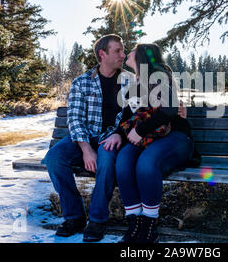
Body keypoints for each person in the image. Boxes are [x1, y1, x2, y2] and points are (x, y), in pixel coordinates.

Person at [41, 34, 132, 242]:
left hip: (111, 138)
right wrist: (85, 149)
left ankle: (98, 220)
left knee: (107, 161)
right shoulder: (82, 82)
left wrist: (119, 133)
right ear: (103, 54)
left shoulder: (130, 81)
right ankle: (74, 216)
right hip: (84, 137)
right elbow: (74, 119)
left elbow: (138, 114)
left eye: (123, 50)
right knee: (54, 158)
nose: (123, 54)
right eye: (117, 50)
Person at [109, 43, 196, 243]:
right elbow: (126, 116)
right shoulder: (136, 84)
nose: (127, 53)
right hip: (151, 137)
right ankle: (135, 224)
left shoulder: (159, 75)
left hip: (175, 137)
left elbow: (170, 109)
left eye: (131, 51)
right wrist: (118, 134)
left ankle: (149, 226)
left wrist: (139, 130)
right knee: (123, 162)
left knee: (147, 163)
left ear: (140, 56)